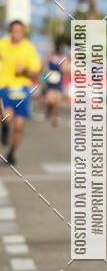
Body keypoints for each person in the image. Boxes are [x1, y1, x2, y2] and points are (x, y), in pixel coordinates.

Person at [0, 20, 41, 165]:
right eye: (14, 31)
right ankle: (5, 128)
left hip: (22, 90)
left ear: (23, 33)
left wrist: (24, 70)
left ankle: (12, 152)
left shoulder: (28, 48)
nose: (16, 33)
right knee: (6, 117)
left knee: (18, 125)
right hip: (5, 87)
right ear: (10, 31)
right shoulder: (3, 44)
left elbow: (36, 70)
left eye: (19, 31)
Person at [43, 43, 68, 127]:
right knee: (50, 100)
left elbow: (66, 69)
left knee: (57, 102)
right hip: (50, 82)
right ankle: (49, 109)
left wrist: (63, 67)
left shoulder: (63, 57)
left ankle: (56, 119)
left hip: (59, 82)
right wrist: (45, 72)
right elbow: (43, 65)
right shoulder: (50, 56)